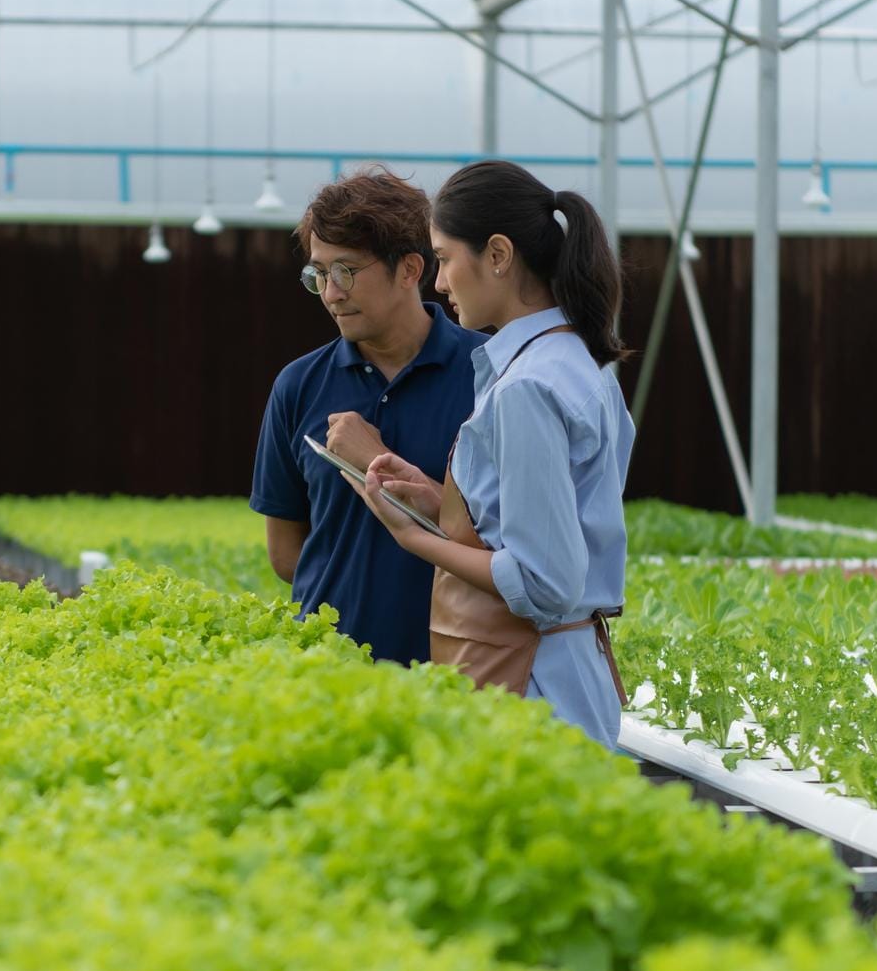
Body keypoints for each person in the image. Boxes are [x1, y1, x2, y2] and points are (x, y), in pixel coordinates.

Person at [344, 160, 635, 748]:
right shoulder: (578, 362)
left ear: (498, 256)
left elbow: (545, 581)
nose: (440, 283)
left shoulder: (527, 385)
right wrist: (435, 498)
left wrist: (415, 538)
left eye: (446, 258)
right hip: (561, 675)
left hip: (534, 688)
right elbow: (539, 522)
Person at [250, 169, 488, 665]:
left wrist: (377, 461)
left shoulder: (491, 376)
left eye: (346, 271)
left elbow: (512, 546)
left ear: (409, 269)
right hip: (326, 669)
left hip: (455, 669)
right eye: (319, 273)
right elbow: (285, 553)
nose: (331, 292)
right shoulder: (297, 386)